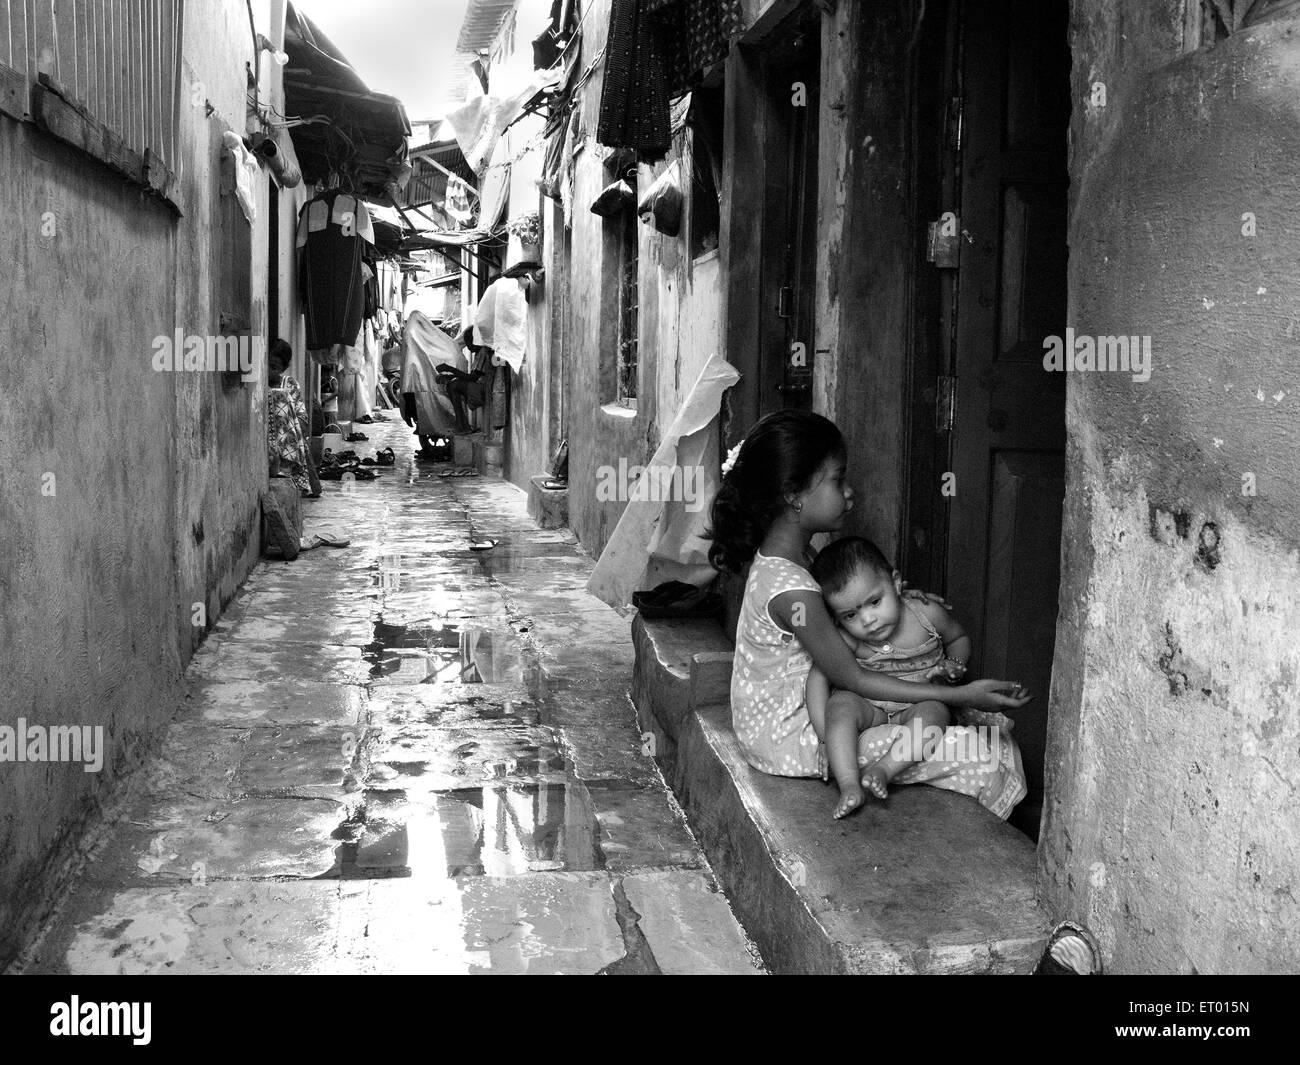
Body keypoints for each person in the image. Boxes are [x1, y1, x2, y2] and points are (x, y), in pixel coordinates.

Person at [707, 410, 1030, 815]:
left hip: (799, 718)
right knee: (978, 751)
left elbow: (839, 618)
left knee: (946, 726)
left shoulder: (794, 560)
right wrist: (959, 692)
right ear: (793, 495)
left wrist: (901, 601)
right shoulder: (792, 592)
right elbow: (852, 675)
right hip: (795, 736)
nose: (849, 492)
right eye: (837, 480)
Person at [807, 537, 1011, 816]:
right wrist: (823, 737)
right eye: (850, 615)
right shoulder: (846, 639)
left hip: (920, 702)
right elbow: (818, 678)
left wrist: (954, 664)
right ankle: (849, 784)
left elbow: (959, 638)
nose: (868, 620)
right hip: (871, 708)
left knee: (935, 713)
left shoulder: (927, 614)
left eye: (875, 602)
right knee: (840, 705)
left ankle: (884, 769)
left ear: (896, 582)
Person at [267, 339, 320, 497]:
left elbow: (302, 420)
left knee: (279, 398)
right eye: (266, 365)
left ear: (283, 368)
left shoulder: (289, 384)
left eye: (274, 367)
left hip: (288, 440)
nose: (269, 371)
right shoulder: (256, 383)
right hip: (267, 437)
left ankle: (286, 467)